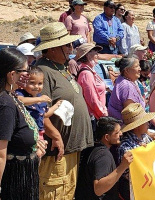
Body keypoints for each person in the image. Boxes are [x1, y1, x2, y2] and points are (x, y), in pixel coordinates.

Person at [33, 22, 94, 200]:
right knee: (54, 192)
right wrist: (56, 136)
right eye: (67, 45)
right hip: (57, 150)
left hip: (69, 148)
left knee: (66, 192)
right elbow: (37, 111)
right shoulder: (43, 71)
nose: (71, 48)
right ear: (52, 49)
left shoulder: (60, 68)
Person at [0, 48, 46, 199]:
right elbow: (0, 153)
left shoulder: (11, 96)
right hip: (13, 183)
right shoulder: (6, 104)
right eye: (25, 71)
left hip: (25, 179)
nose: (28, 75)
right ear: (12, 74)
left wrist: (33, 145)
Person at [75, 117, 133, 200]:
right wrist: (123, 166)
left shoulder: (92, 148)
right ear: (107, 137)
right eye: (117, 132)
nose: (121, 133)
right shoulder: (103, 156)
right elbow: (98, 189)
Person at [118, 103, 155, 200]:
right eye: (145, 122)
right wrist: (142, 153)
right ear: (137, 126)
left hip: (149, 183)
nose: (148, 123)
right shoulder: (125, 146)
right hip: (135, 189)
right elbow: (130, 174)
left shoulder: (146, 137)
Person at [15, 66, 62, 140]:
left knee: (40, 150)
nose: (36, 86)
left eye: (40, 83)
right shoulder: (21, 93)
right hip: (26, 132)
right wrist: (39, 99)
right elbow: (21, 101)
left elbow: (45, 114)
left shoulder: (41, 98)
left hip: (39, 132)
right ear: (24, 82)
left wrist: (56, 106)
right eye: (32, 83)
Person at [75, 43, 108, 133]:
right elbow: (92, 99)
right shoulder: (86, 74)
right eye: (95, 52)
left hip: (96, 115)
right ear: (88, 55)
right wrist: (103, 114)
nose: (97, 55)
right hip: (94, 117)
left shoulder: (90, 71)